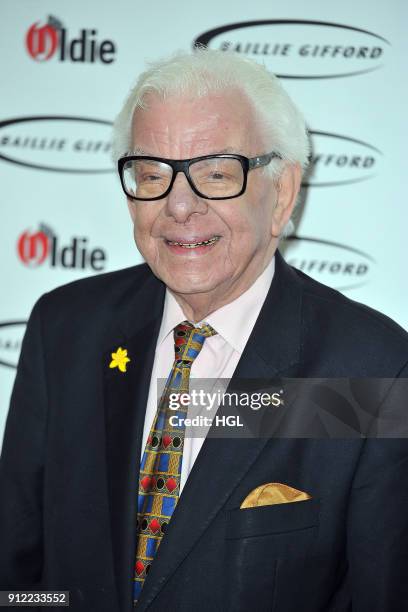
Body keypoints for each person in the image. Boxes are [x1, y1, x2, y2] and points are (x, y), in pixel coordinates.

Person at [0, 48, 407, 612]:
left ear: (282, 192)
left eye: (216, 174)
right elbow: (18, 577)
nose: (180, 206)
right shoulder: (64, 331)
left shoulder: (371, 370)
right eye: (151, 174)